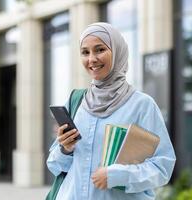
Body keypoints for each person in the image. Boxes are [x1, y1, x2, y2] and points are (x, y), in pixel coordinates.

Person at [47, 22, 176, 200]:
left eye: (100, 49)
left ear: (117, 52)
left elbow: (162, 167)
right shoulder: (75, 102)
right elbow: (54, 165)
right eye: (85, 52)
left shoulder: (142, 105)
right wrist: (65, 149)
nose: (91, 59)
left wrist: (118, 176)